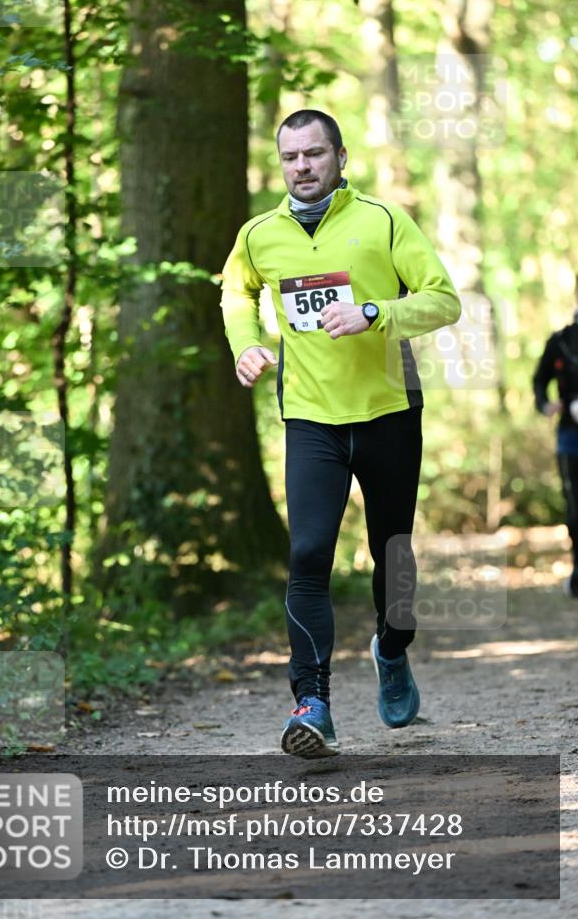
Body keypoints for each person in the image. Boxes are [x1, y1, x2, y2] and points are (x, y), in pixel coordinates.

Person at [220, 109, 461, 758]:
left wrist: (375, 312)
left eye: (314, 154)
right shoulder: (259, 235)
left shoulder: (381, 221)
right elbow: (235, 293)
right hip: (310, 417)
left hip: (388, 409)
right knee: (307, 554)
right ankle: (312, 703)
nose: (302, 166)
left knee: (395, 558)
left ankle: (391, 648)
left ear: (340, 157)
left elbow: (443, 298)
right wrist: (245, 344)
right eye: (291, 156)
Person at [533, 273, 578, 598]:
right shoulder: (561, 340)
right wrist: (547, 404)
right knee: (575, 507)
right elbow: (539, 380)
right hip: (570, 437)